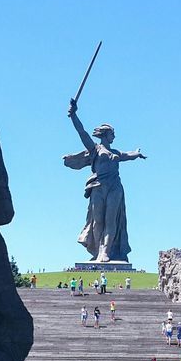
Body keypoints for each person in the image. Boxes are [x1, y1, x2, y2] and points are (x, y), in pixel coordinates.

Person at [64, 98, 146, 264]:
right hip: (98, 186)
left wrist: (136, 153)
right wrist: (73, 115)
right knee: (97, 220)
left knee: (111, 219)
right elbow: (82, 133)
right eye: (112, 133)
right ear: (105, 134)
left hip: (114, 187)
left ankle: (105, 251)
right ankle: (97, 249)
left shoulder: (116, 152)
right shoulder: (95, 149)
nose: (114, 136)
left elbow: (128, 155)